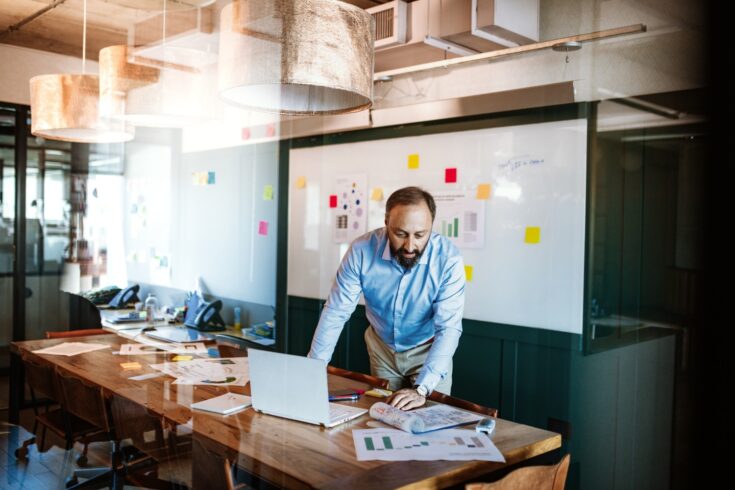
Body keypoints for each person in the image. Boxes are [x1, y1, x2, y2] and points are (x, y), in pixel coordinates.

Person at [308, 186, 465, 411]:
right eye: (400, 234)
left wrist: (422, 389)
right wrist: (313, 368)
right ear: (386, 223)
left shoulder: (448, 259)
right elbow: (336, 311)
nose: (410, 246)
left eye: (420, 235)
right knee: (385, 417)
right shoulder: (362, 250)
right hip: (382, 349)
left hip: (428, 351)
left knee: (427, 422)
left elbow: (448, 328)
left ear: (431, 226)